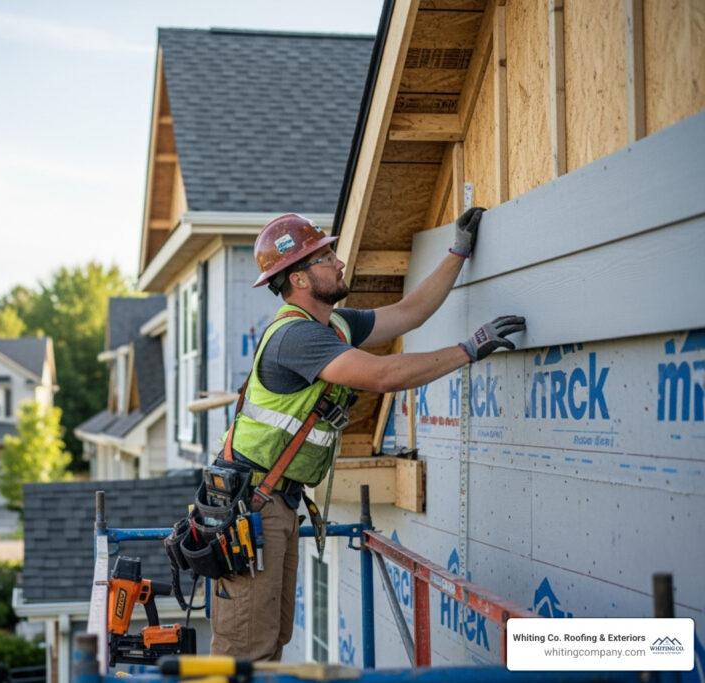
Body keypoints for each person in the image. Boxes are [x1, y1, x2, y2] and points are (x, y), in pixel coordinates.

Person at [209, 210, 525, 661]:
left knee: (271, 642)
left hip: (273, 503)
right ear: (299, 279)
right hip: (252, 506)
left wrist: (457, 251)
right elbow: (382, 376)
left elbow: (409, 313)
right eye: (326, 258)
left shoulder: (333, 324)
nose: (339, 263)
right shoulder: (296, 337)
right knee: (246, 653)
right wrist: (467, 351)